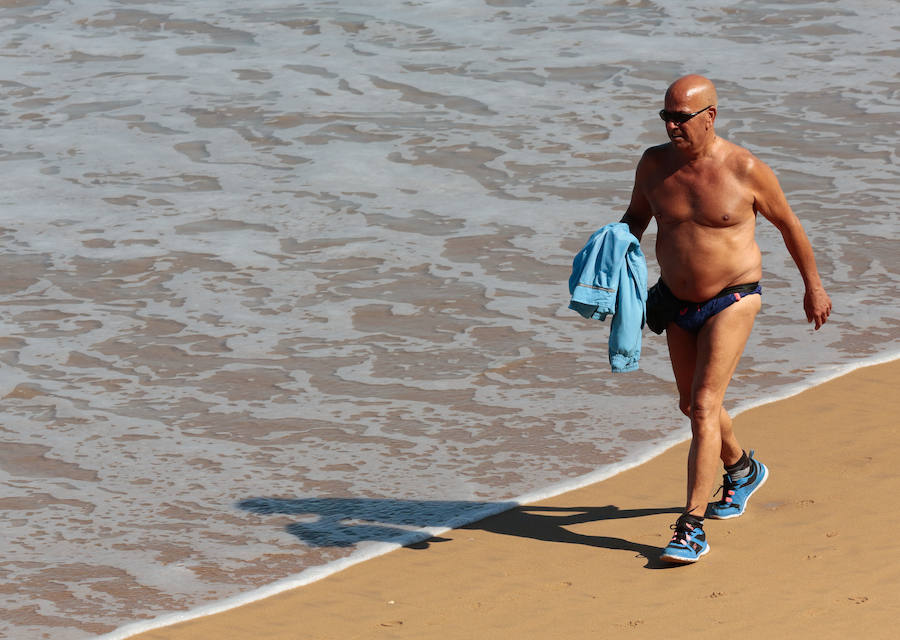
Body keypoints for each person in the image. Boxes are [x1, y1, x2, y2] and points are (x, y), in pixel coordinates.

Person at [620, 74, 832, 564]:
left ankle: (690, 528)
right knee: (690, 407)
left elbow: (788, 224)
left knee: (702, 404)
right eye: (665, 117)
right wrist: (611, 251)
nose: (672, 126)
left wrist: (813, 286)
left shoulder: (745, 169)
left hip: (733, 298)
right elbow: (636, 217)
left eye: (681, 117)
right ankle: (741, 469)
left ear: (709, 116)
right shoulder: (653, 165)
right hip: (674, 302)